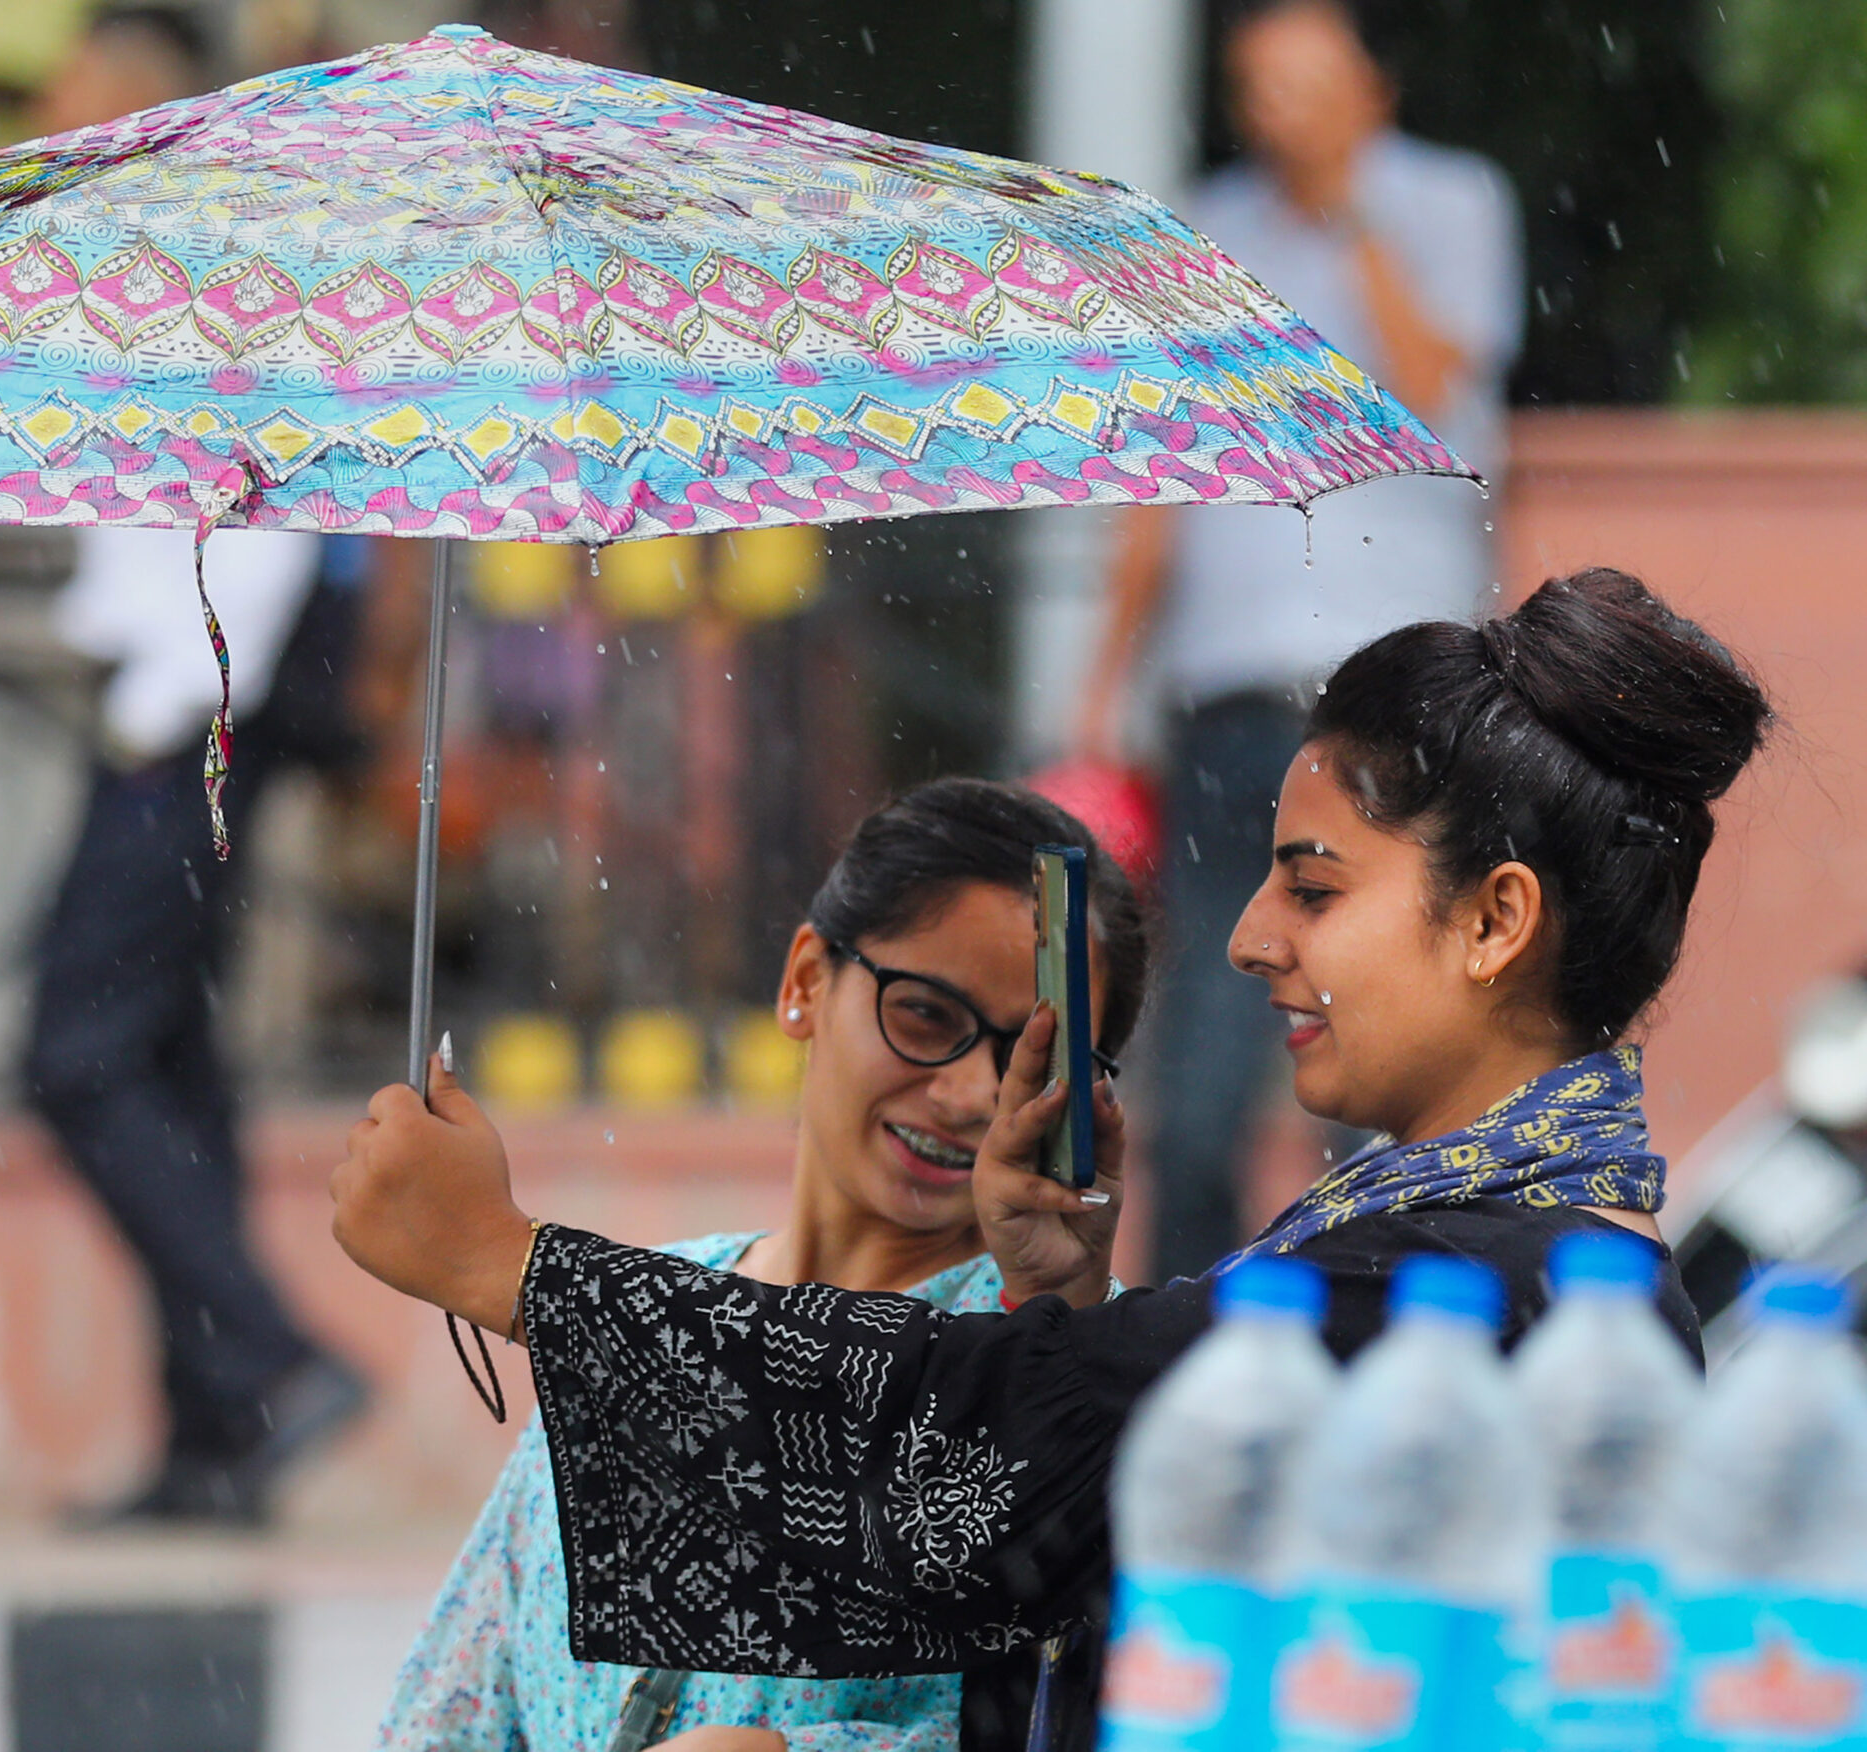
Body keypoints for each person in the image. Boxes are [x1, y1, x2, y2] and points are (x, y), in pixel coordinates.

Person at [332, 568, 1769, 1750]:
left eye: (1316, 887)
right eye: (916, 1014)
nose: (1256, 936)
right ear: (803, 984)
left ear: (1493, 921)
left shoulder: (1485, 1289)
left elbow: (970, 1478)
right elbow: (1089, 1523)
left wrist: (510, 1266)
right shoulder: (1482, 1255)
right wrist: (1065, 1319)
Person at [376, 781, 1148, 1752]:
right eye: (921, 1015)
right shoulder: (645, 1309)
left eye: (1037, 1068)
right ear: (804, 984)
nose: (969, 1094)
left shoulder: (1075, 1376)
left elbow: (1095, 1711)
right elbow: (452, 1709)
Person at [1072, 0, 1524, 1281]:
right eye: (1256, 85)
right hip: (1234, 696)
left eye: (1305, 84)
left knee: (1389, 1029)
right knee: (1211, 1040)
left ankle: (1370, 1305)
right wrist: (1101, 685)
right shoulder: (1203, 227)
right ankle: (1186, 1328)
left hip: (1403, 696)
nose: (1277, 111)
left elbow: (1437, 387)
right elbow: (1161, 486)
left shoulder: (1447, 202)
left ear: (1371, 90)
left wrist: (1346, 215)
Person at [24, 4, 370, 1524]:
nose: (46, 114)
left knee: (78, 1059)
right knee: (170, 1070)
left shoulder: (218, 274)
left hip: (187, 732)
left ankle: (277, 1366)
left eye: (72, 92)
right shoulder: (141, 276)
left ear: (137, 102)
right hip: (177, 718)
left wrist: (178, 704)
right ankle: (212, 1446)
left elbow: (272, 523)